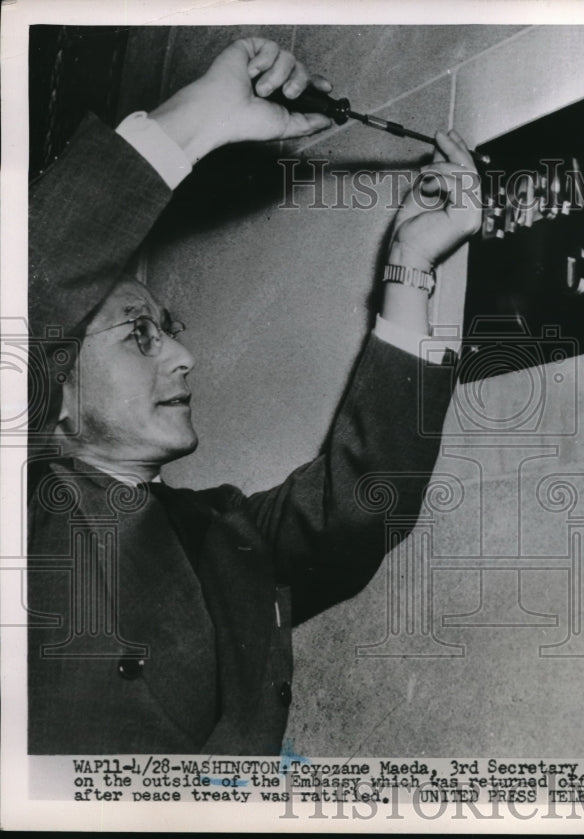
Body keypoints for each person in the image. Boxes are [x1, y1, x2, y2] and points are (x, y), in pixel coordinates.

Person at [26, 37, 481, 754]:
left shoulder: (224, 533)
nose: (184, 355)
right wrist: (198, 117)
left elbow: (363, 502)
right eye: (139, 334)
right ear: (48, 391)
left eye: (171, 329)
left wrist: (412, 265)